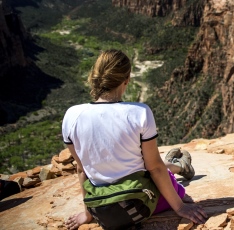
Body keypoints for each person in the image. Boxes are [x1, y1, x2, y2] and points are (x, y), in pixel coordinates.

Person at [62, 49, 206, 229]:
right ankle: (180, 166)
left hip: (102, 212)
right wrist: (180, 207)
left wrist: (87, 213)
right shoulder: (140, 112)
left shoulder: (71, 116)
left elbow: (82, 170)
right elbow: (154, 168)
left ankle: (178, 164)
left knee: (145, 163)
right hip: (139, 206)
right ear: (127, 79)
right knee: (159, 169)